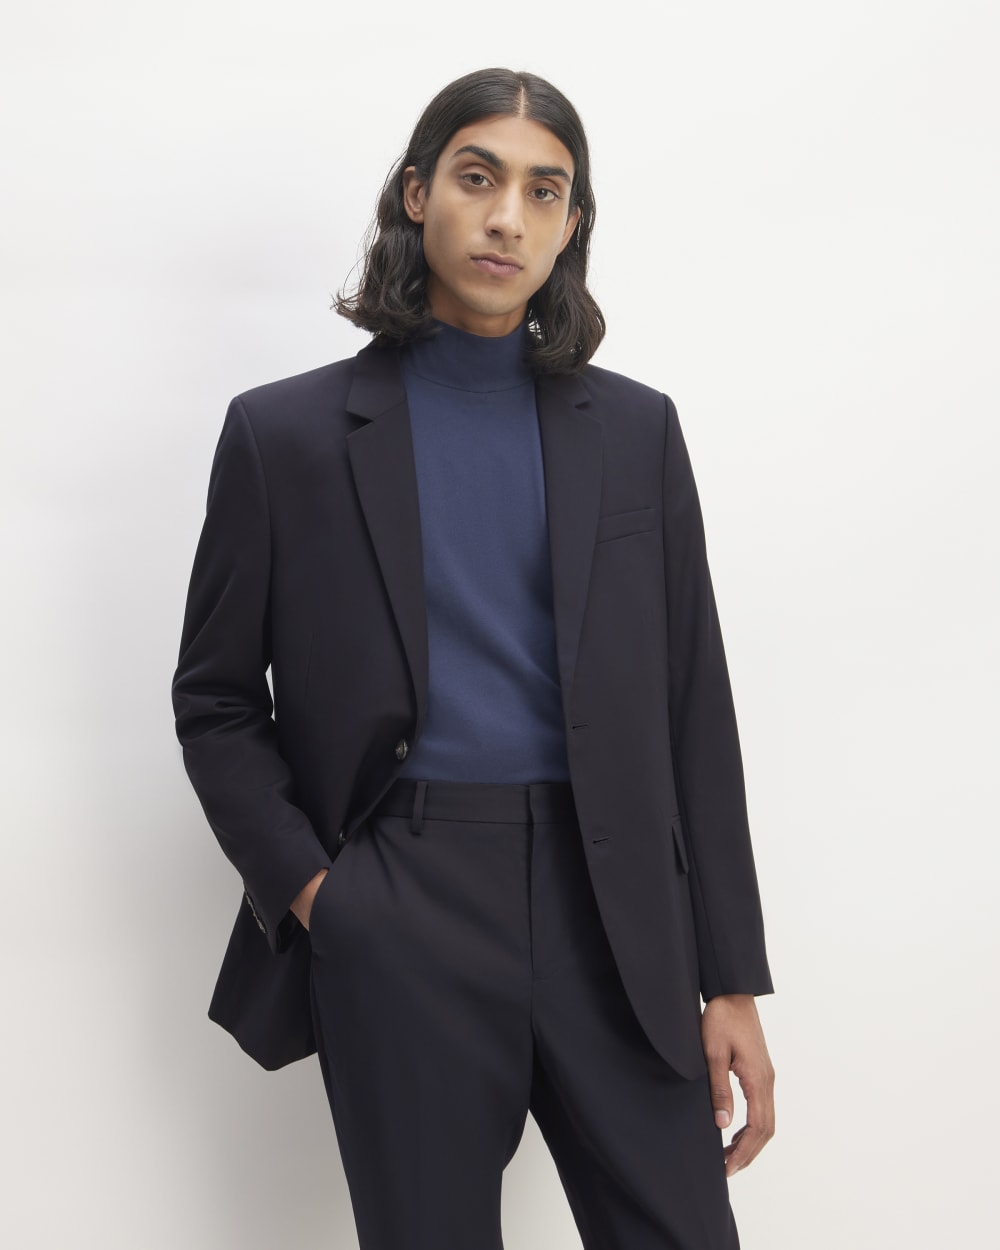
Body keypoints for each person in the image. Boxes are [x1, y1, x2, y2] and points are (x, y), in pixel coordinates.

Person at [172, 66, 775, 1250]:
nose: (507, 217)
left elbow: (692, 707)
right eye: (477, 177)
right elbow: (217, 700)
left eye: (543, 191)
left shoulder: (637, 431)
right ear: (417, 194)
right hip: (405, 896)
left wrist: (731, 976)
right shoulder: (284, 435)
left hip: (615, 910)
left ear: (571, 222)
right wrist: (325, 898)